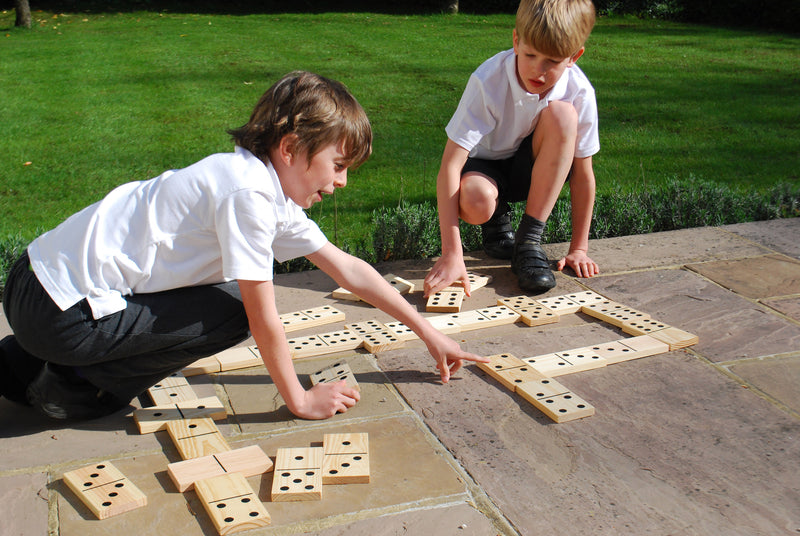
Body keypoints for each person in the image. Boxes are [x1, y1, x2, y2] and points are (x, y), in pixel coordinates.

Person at [0, 71, 487, 422]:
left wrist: (428, 332)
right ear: (292, 147)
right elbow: (262, 316)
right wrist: (298, 398)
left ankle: (17, 364)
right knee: (233, 306)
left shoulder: (254, 182)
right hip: (59, 313)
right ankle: (76, 388)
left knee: (223, 293)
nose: (342, 182)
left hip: (35, 286)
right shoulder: (247, 195)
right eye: (338, 165)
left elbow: (348, 269)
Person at [424, 0, 600, 299]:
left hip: (531, 170)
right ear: (516, 40)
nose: (538, 71)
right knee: (478, 201)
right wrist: (452, 253)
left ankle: (528, 242)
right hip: (483, 167)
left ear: (574, 57)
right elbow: (450, 167)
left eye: (553, 61)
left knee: (563, 115)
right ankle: (495, 221)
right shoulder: (488, 80)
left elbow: (583, 174)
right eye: (531, 54)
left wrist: (579, 249)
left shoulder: (579, 91)